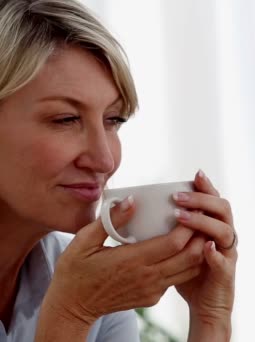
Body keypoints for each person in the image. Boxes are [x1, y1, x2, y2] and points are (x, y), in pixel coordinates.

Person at [0, 0, 237, 341]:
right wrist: (71, 315)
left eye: (113, 120)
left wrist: (210, 317)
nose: (105, 160)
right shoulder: (84, 293)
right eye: (66, 119)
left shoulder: (89, 282)